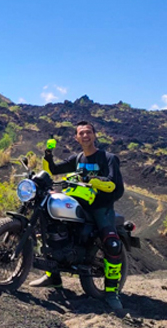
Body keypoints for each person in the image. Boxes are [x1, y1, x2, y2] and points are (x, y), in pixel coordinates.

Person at [29, 120, 125, 311]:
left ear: (94, 135)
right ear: (76, 137)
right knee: (51, 227)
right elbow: (53, 170)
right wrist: (48, 154)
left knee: (112, 245)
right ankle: (53, 277)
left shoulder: (108, 158)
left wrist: (94, 181)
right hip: (79, 203)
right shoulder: (78, 158)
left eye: (88, 132)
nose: (85, 136)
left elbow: (115, 185)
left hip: (101, 207)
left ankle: (112, 292)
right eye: (81, 133)